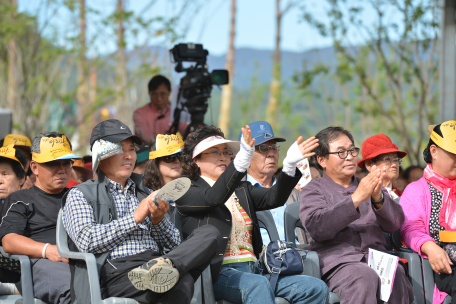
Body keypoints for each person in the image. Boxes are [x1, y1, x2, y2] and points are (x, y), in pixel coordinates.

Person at [62, 119, 221, 304]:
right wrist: (134, 218)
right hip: (114, 272)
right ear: (101, 153)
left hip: (155, 262)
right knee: (181, 282)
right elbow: (86, 240)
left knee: (210, 233)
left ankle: (165, 266)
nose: (129, 156)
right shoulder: (80, 194)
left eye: (131, 149)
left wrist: (158, 220)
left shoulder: (145, 191)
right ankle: (164, 269)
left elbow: (175, 246)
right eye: (120, 148)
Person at [175, 125, 329, 304]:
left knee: (315, 288)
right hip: (218, 274)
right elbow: (214, 197)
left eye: (226, 152)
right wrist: (241, 161)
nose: (224, 157)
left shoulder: (240, 189)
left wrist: (289, 165)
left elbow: (274, 198)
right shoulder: (186, 189)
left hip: (255, 270)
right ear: (196, 160)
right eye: (215, 152)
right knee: (258, 285)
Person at [300, 126, 413, 304]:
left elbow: (395, 223)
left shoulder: (370, 184)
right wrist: (357, 198)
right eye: (341, 152)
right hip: (339, 264)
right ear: (322, 160)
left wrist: (378, 198)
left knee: (397, 274)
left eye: (352, 150)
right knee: (363, 276)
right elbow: (318, 227)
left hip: (377, 259)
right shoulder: (313, 190)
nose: (350, 157)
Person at [0, 132, 81, 304]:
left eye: (66, 163)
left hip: (81, 261)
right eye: (52, 163)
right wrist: (47, 250)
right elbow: (9, 240)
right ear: (34, 167)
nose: (61, 169)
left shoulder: (79, 196)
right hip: (41, 263)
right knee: (76, 291)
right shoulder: (21, 198)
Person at [400, 121, 456, 303]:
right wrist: (430, 247)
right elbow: (410, 228)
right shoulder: (416, 190)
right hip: (443, 266)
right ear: (434, 151)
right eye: (454, 153)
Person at [238, 121, 304, 244]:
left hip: (297, 258)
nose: (271, 154)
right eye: (263, 148)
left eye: (274, 148)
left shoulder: (295, 194)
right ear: (245, 154)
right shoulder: (236, 195)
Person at [0, 145, 28, 293]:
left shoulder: (31, 205)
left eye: (5, 174)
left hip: (23, 275)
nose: (0, 180)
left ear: (21, 178)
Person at [133, 75, 188, 143]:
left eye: (163, 94)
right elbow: (149, 139)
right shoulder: (140, 113)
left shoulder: (176, 112)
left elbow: (186, 131)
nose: (159, 99)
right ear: (149, 93)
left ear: (169, 92)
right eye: (155, 94)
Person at [358, 134, 407, 199]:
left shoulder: (402, 196)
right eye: (387, 159)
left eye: (396, 159)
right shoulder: (359, 196)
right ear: (369, 164)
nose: (394, 165)